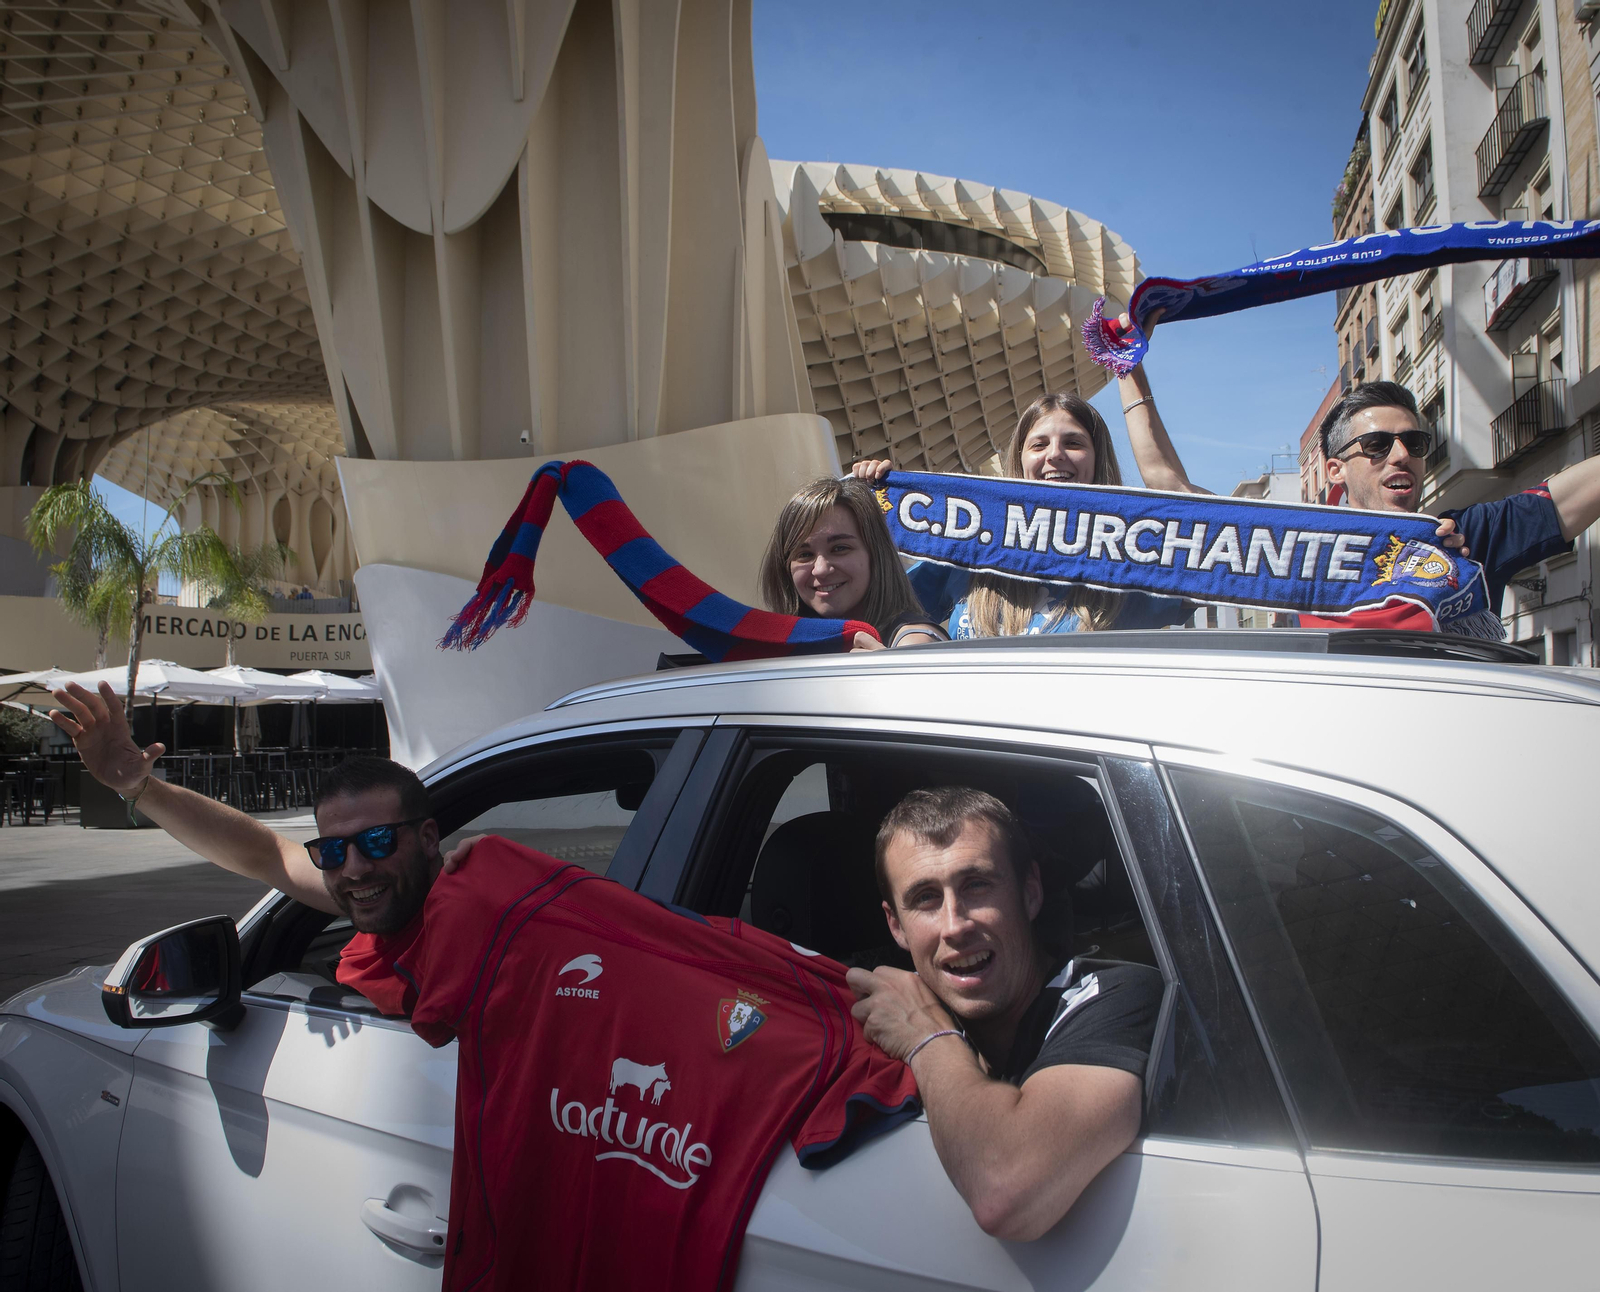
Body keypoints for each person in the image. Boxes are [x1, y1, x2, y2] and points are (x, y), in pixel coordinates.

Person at [847, 786, 1162, 1240]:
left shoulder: (1118, 993)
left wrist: (927, 1039)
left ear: (1030, 893)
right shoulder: (878, 1020)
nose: (955, 925)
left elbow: (1006, 1190)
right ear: (895, 924)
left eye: (976, 885)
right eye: (925, 899)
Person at [46, 680, 444, 938]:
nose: (354, 869)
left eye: (378, 841)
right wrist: (139, 788)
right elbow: (263, 852)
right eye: (334, 850)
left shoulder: (481, 902)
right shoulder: (379, 894)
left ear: (428, 838)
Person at [853, 385, 1192, 636]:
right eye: (1039, 444)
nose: (1054, 455)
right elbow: (875, 609)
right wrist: (869, 506)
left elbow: (1208, 544)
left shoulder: (1125, 559)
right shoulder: (970, 543)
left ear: (1097, 458)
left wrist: (1130, 375)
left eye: (1073, 443)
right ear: (1020, 459)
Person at [1308, 380, 1600, 631]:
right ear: (1336, 470)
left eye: (1415, 442)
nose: (1401, 454)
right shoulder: (1302, 559)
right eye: (1376, 444)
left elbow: (1569, 498)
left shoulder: (1465, 539)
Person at [759, 475, 946, 650]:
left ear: (876, 554)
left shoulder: (913, 642)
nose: (821, 569)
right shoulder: (780, 649)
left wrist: (891, 675)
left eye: (840, 548)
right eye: (804, 554)